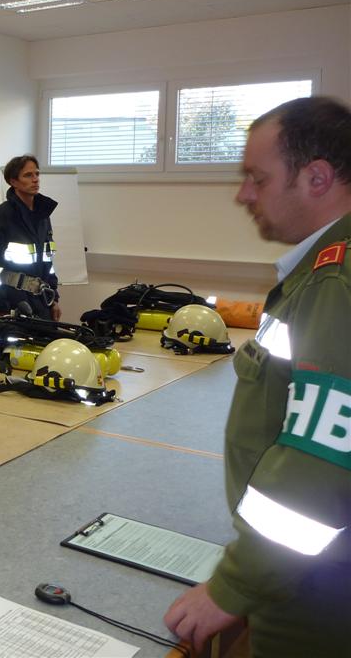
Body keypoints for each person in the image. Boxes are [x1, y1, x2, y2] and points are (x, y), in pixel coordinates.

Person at [164, 96, 351, 657]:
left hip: (317, 587)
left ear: (316, 178)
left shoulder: (333, 281)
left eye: (258, 178)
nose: (243, 195)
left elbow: (319, 460)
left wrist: (234, 585)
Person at [0, 154, 61, 321]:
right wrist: (1, 309)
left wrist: (54, 299)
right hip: (12, 305)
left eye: (37, 174)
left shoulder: (43, 217)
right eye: (28, 175)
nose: (35, 179)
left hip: (43, 304)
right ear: (13, 181)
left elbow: (48, 264)